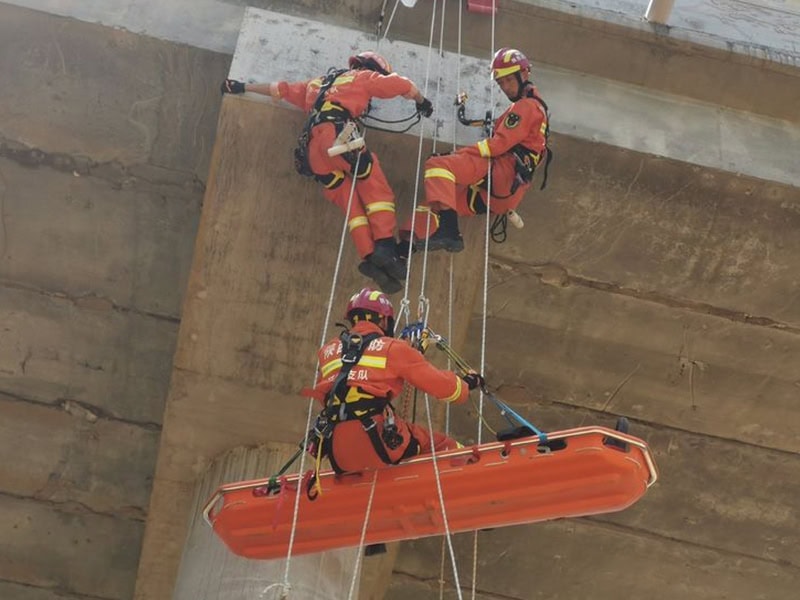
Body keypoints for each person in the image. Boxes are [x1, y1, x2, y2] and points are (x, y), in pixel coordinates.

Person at [221, 51, 434, 294]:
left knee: (350, 202)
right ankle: (384, 246)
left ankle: (369, 255)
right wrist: (422, 101)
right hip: (338, 136)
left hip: (313, 152)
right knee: (375, 187)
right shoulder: (363, 77)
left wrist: (241, 86)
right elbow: (402, 85)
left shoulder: (317, 84)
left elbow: (279, 89)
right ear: (371, 68)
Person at [303, 288, 484, 474]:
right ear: (383, 320)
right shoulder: (394, 348)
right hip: (379, 443)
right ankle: (475, 473)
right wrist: (467, 383)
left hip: (337, 450)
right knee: (443, 445)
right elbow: (446, 389)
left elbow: (337, 390)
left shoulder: (328, 351)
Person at [407, 47, 551, 253]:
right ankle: (405, 249)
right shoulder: (536, 109)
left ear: (524, 74)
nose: (505, 87)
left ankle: (450, 232)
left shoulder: (526, 106)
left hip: (502, 174)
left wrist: (460, 155)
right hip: (503, 197)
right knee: (437, 201)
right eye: (501, 83)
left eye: (509, 80)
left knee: (438, 165)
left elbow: (498, 145)